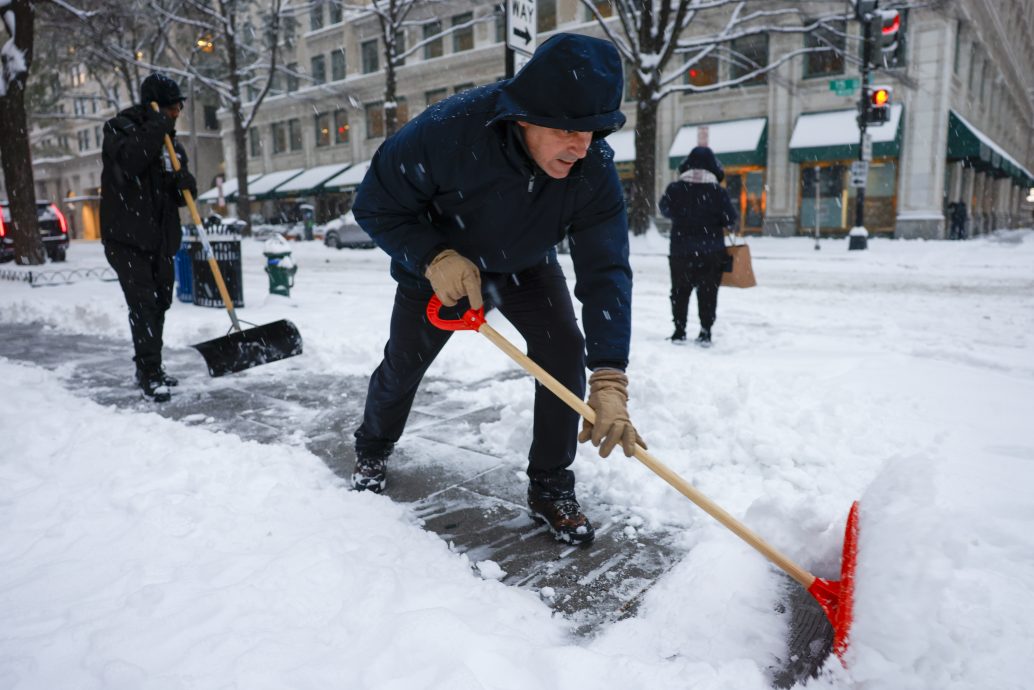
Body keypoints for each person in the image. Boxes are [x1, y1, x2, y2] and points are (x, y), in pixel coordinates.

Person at [349, 33, 646, 546]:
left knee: (563, 351)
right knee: (403, 365)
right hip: (441, 268)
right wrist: (432, 256)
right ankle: (372, 448)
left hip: (526, 266)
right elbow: (374, 205)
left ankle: (551, 484)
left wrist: (610, 374)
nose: (582, 146)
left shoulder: (592, 168)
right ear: (526, 116)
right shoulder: (447, 131)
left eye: (593, 130)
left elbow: (606, 270)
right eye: (569, 130)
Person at [100, 72, 197, 402]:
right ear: (155, 107)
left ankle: (152, 365)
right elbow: (130, 162)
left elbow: (179, 196)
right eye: (172, 107)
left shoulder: (171, 144)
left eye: (179, 107)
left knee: (160, 303)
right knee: (143, 305)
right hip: (127, 237)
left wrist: (185, 186)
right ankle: (149, 372)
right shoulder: (119, 129)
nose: (177, 112)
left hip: (160, 239)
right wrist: (157, 126)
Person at [659, 146, 738, 347]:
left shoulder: (676, 188)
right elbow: (730, 218)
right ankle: (705, 331)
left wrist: (683, 214)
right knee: (708, 293)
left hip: (681, 250)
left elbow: (664, 209)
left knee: (679, 292)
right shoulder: (717, 192)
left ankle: (679, 331)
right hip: (711, 251)